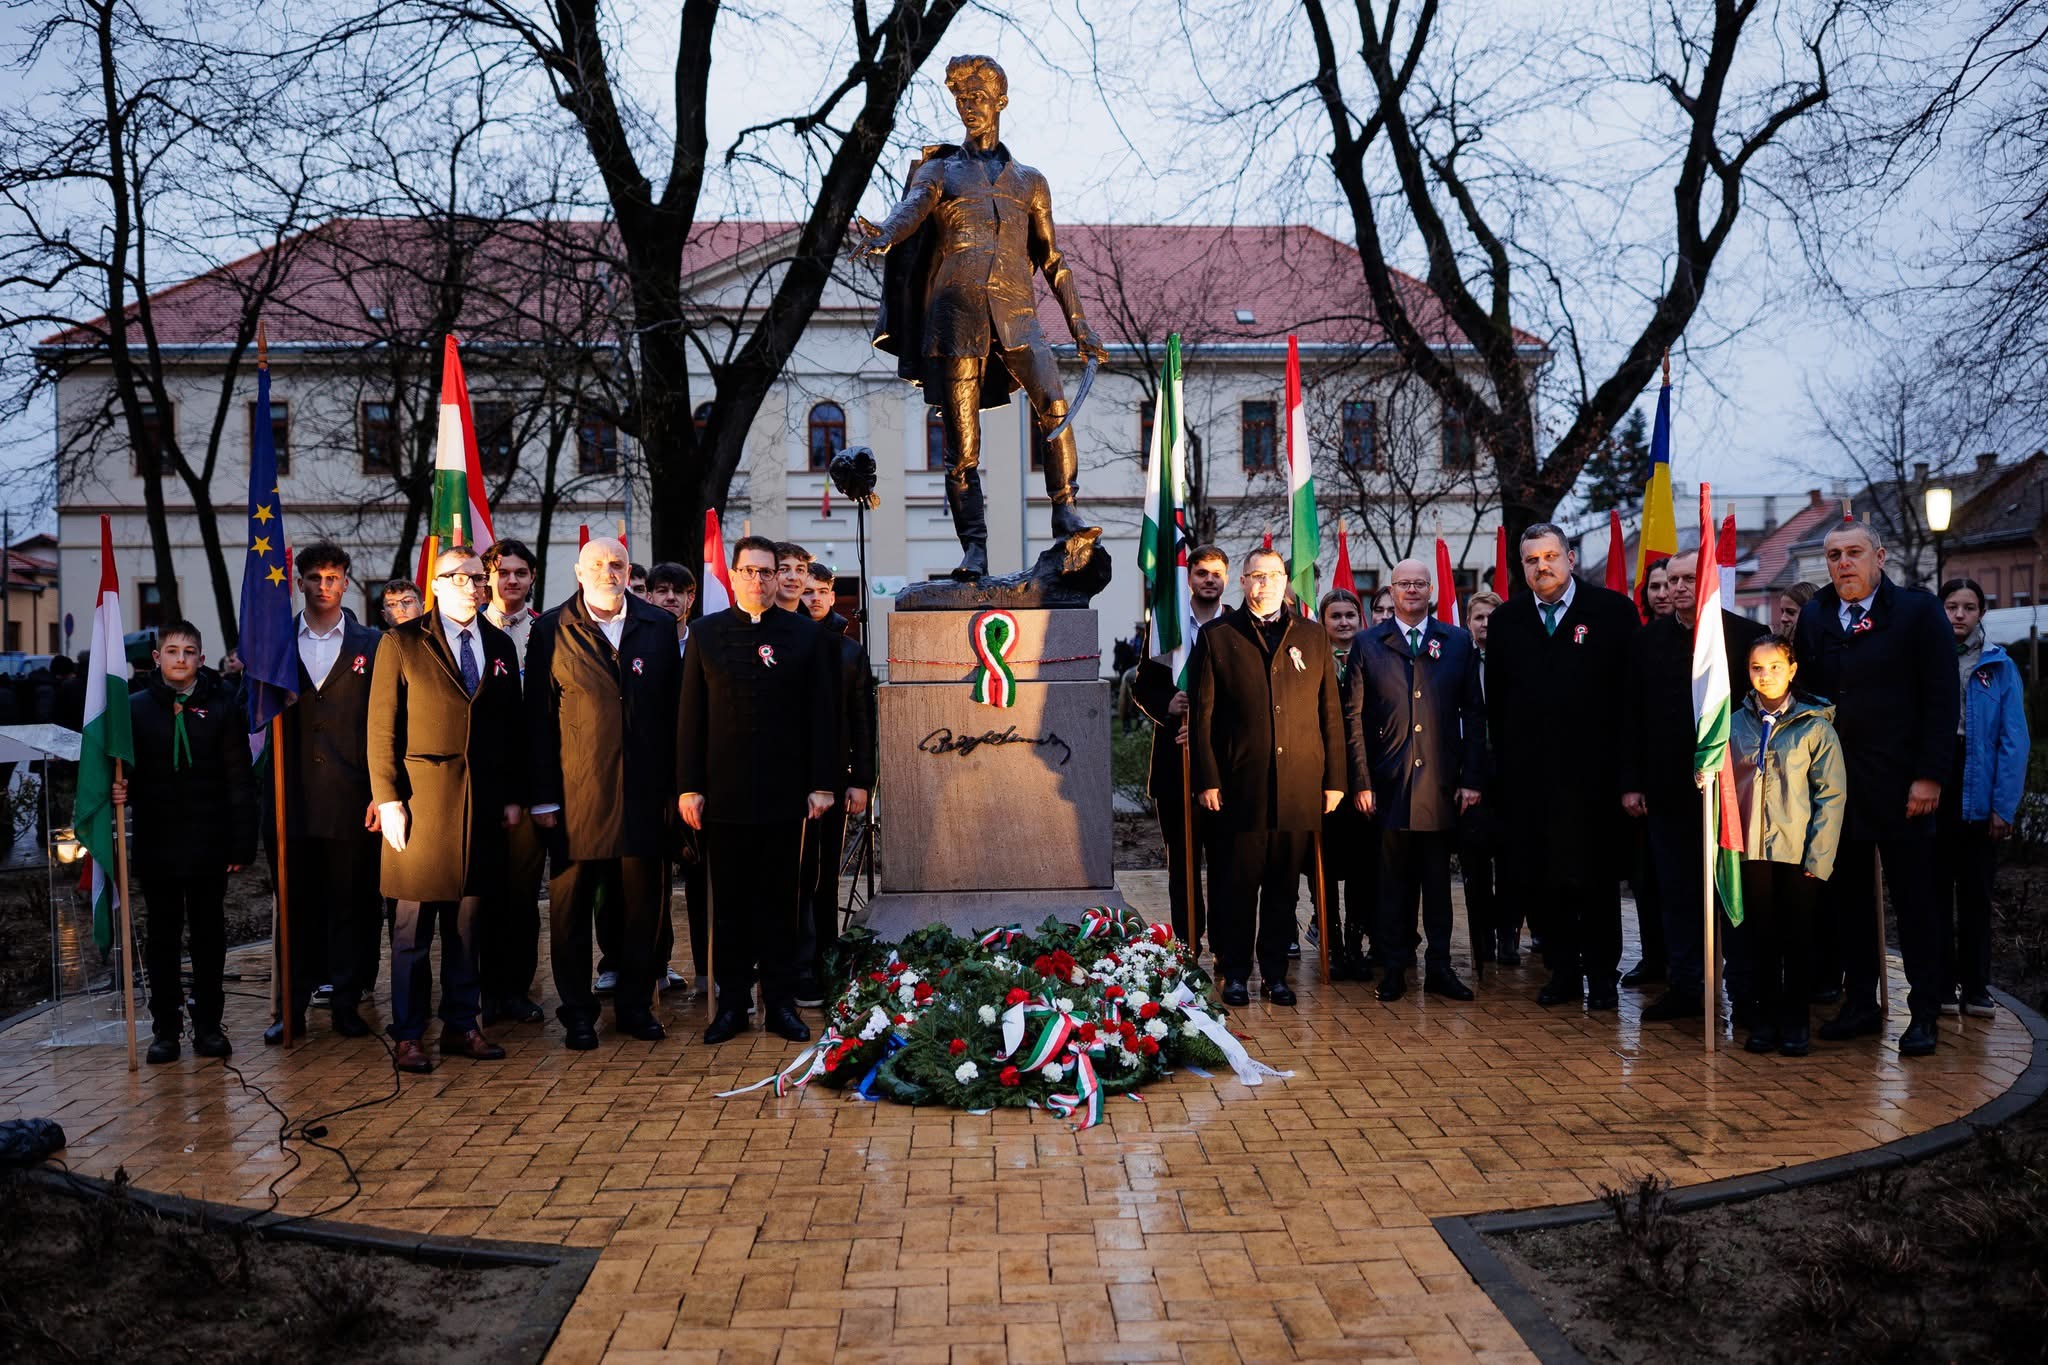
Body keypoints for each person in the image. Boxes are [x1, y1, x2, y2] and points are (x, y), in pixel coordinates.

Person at [853, 54, 1110, 576]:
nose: (968, 106)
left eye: (977, 97)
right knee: (961, 447)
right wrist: (885, 232)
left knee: (1055, 407)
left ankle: (1066, 513)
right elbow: (914, 207)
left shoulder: (1031, 182)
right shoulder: (940, 170)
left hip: (1018, 314)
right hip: (954, 317)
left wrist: (1079, 322)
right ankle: (974, 547)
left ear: (1001, 102)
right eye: (960, 99)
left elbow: (1052, 258)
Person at [1793, 521, 1957, 1057]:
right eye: (1834, 554)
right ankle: (1861, 1002)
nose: (1844, 563)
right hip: (1837, 788)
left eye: (1854, 552)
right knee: (1848, 903)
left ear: (1879, 556)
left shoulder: (1917, 612)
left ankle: (1925, 1010)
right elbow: (1806, 696)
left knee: (1915, 902)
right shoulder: (1816, 614)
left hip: (1903, 785)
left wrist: (1929, 774)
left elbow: (1939, 698)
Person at [368, 548, 525, 1073]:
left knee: (467, 925)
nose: (472, 586)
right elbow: (382, 729)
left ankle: (462, 1024)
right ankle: (408, 1034)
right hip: (420, 803)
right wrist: (388, 798)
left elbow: (507, 730)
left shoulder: (499, 644)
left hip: (479, 805)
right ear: (435, 584)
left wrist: (509, 795)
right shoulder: (403, 642)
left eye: (478, 578)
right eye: (459, 578)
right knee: (412, 930)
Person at [679, 535, 841, 1044]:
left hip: (785, 793)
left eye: (766, 572)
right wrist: (688, 786)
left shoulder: (805, 635)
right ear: (734, 574)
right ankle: (731, 1005)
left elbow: (823, 715)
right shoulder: (705, 633)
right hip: (722, 795)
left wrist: (822, 784)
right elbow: (690, 716)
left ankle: (780, 1004)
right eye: (748, 571)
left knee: (781, 905)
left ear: (777, 577)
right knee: (729, 905)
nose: (758, 579)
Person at [526, 536, 684, 1049]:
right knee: (570, 913)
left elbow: (678, 716)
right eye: (597, 564)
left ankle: (636, 1006)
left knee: (642, 910)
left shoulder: (658, 626)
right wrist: (544, 797)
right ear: (578, 571)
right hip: (577, 798)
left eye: (617, 564)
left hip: (645, 796)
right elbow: (539, 720)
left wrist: (678, 791)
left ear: (628, 569)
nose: (608, 572)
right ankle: (577, 1013)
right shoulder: (551, 629)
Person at [1188, 546, 1351, 1007]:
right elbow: (1203, 717)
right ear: (1243, 582)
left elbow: (1331, 715)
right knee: (1237, 886)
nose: (1267, 584)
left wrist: (1335, 780)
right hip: (1241, 786)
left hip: (1299, 785)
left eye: (1275, 575)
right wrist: (1208, 779)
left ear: (1286, 581)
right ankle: (1236, 973)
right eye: (1257, 576)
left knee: (1283, 888)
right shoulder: (1218, 636)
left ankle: (1276, 974)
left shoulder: (1313, 636)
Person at [1486, 523, 1640, 1010]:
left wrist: (1627, 776)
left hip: (1595, 781)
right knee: (1544, 881)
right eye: (1532, 560)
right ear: (1523, 568)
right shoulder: (1508, 621)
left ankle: (1600, 975)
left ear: (1570, 559)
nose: (1542, 566)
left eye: (1551, 556)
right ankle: (1564, 973)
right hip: (1531, 783)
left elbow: (1631, 703)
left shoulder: (1612, 612)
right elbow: (1498, 705)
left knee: (1593, 883)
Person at [1621, 549, 1767, 1023]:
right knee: (1678, 895)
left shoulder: (1746, 637)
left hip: (1732, 793)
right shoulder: (1646, 643)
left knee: (1732, 894)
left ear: (1708, 582)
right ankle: (1686, 987)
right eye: (1673, 579)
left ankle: (1745, 992)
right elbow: (1632, 718)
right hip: (1667, 791)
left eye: (1690, 578)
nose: (1680, 587)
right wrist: (1632, 782)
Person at [118, 622, 255, 1063]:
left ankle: (209, 1025)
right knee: (161, 936)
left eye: (189, 651)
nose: (180, 658)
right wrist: (120, 790)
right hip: (159, 840)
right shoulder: (134, 709)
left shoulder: (221, 707)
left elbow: (239, 779)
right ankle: (166, 1028)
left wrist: (240, 844)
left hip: (207, 839)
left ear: (200, 657)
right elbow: (127, 773)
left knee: (209, 935)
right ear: (156, 658)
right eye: (172, 651)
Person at [266, 542, 383, 1045]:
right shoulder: (272, 643)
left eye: (333, 577)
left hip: (352, 797)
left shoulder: (372, 644)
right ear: (299, 582)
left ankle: (346, 1003)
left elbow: (385, 725)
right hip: (289, 798)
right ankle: (291, 1005)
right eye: (314, 577)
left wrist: (383, 792)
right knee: (296, 906)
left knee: (351, 905)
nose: (323, 586)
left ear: (347, 582)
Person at [1352, 560, 1485, 1002]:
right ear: (1391, 590)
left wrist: (1472, 778)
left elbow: (1474, 714)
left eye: (1419, 584)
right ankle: (1393, 968)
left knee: (1437, 884)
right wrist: (1361, 780)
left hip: (1443, 783)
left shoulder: (1458, 641)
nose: (1411, 590)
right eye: (1404, 584)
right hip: (1389, 783)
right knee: (1392, 884)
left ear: (1430, 590)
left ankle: (1441, 968)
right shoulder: (1368, 644)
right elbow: (1353, 718)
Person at [1729, 635, 1846, 1055]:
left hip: (1798, 853)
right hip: (1751, 851)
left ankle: (1796, 1021)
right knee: (1759, 938)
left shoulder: (1815, 726)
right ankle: (1764, 1019)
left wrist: (1819, 856)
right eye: (1757, 668)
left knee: (1797, 939)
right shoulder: (1733, 722)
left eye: (1775, 666)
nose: (1766, 676)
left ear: (1792, 669)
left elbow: (1830, 797)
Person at [1935, 578, 2028, 1018]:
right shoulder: (1929, 659)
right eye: (1951, 605)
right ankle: (1939, 984)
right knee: (1934, 892)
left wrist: (2002, 806)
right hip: (1938, 780)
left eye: (1968, 607)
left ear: (1981, 613)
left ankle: (1976, 986)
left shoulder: (2000, 667)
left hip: (1980, 782)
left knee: (1975, 893)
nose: (1959, 615)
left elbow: (2014, 741)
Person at [1131, 545, 1231, 954]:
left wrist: (1213, 726)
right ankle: (1188, 945)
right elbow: (1142, 686)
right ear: (1188, 578)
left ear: (1227, 579)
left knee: (1227, 865)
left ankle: (1228, 947)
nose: (1210, 579)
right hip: (1176, 765)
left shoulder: (1237, 627)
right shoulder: (1166, 626)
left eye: (1217, 573)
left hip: (1225, 768)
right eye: (1202, 572)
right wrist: (1166, 706)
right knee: (1183, 867)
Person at [472, 539, 547, 1026]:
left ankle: (516, 990)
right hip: (478, 783)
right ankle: (481, 989)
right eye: (502, 572)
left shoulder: (547, 631)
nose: (511, 581)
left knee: (521, 896)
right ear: (487, 578)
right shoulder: (468, 631)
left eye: (521, 573)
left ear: (532, 578)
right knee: (478, 893)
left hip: (531, 776)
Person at [795, 561, 876, 1003]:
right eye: (807, 591)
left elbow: (862, 720)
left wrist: (861, 779)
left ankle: (824, 956)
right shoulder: (784, 641)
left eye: (822, 591)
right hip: (789, 780)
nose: (815, 599)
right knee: (796, 875)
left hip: (834, 779)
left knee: (826, 877)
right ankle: (797, 960)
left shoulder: (850, 652)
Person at [643, 561, 704, 995]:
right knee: (650, 882)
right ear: (647, 595)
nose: (669, 598)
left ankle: (709, 970)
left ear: (690, 598)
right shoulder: (638, 642)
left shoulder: (704, 641)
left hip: (698, 780)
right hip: (650, 780)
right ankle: (654, 965)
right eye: (660, 590)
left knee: (702, 878)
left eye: (678, 591)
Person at [1318, 587, 1376, 979]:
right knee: (1323, 869)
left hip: (1363, 778)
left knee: (1361, 869)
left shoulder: (1373, 655)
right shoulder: (1313, 658)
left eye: (1349, 616)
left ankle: (1356, 945)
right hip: (1322, 781)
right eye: (1335, 616)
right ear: (1324, 621)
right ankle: (1332, 944)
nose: (1343, 622)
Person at [1460, 590, 1511, 964]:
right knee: (1475, 864)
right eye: (1479, 617)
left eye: (1492, 617)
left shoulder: (1513, 661)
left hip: (1509, 775)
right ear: (1468, 622)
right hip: (1472, 774)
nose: (1485, 624)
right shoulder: (1460, 660)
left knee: (1510, 863)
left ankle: (1508, 934)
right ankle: (1482, 943)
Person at [773, 542, 814, 614]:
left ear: (807, 577)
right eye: (784, 569)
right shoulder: (753, 622)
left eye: (800, 570)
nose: (793, 577)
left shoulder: (815, 623)